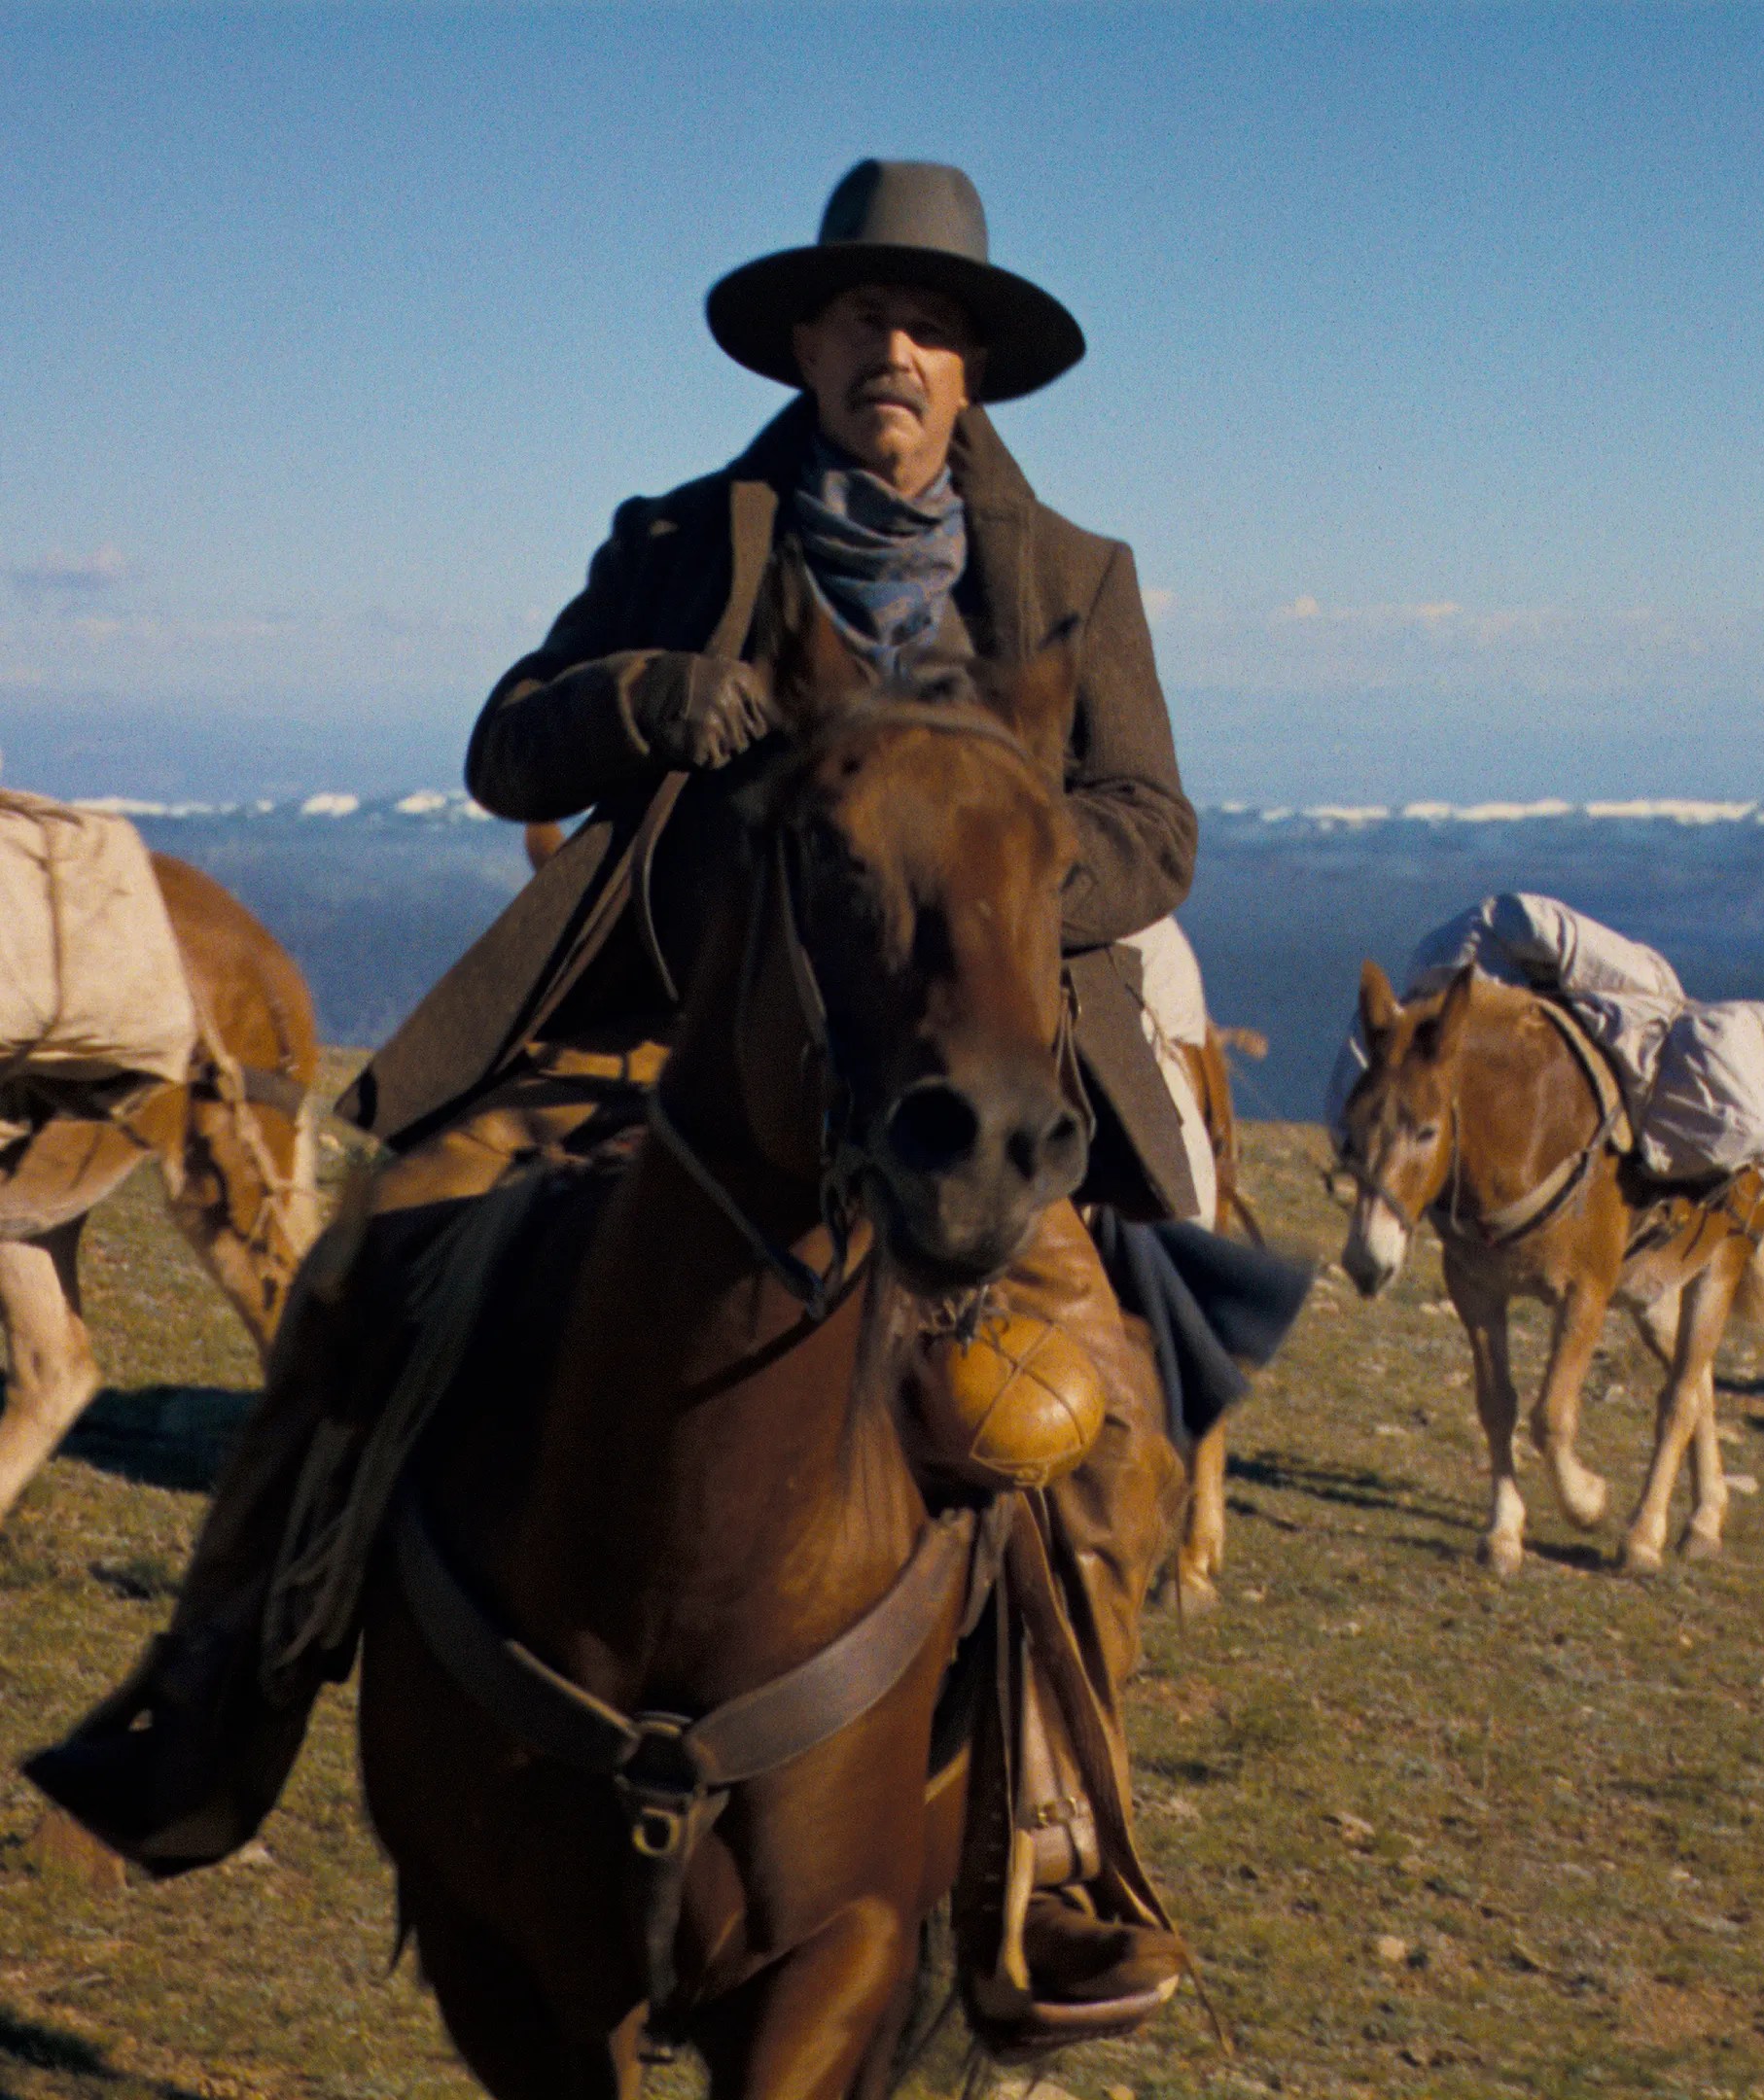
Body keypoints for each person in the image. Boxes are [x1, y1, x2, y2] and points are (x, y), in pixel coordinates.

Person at [29, 158, 1204, 2045]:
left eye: (926, 322)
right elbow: (507, 737)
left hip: (947, 1075)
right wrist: (640, 695)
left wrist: (974, 884)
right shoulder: (681, 534)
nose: (888, 349)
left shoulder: (1074, 582)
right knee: (372, 1265)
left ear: (973, 363)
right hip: (646, 1035)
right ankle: (220, 1671)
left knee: (1081, 1417)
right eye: (855, 315)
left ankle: (1058, 1837)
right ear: (804, 342)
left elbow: (1156, 824)